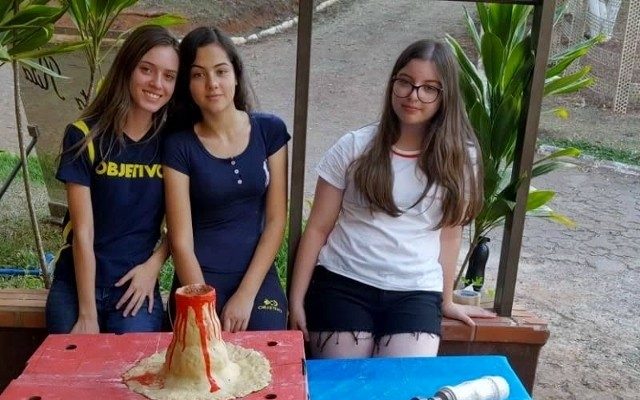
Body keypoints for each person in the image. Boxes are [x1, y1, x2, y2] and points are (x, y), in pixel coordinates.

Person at [289, 39, 494, 359]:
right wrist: (296, 299)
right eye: (405, 82)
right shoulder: (353, 146)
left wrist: (446, 300)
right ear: (392, 84)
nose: (414, 95)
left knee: (403, 385)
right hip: (343, 283)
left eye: (429, 88)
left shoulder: (461, 158)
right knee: (347, 383)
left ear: (446, 96)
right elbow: (317, 228)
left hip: (416, 291)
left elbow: (450, 234)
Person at [45, 25, 179, 334]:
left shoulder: (173, 141)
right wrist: (87, 314)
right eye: (146, 70)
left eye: (169, 76)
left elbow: (183, 223)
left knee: (133, 362)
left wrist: (153, 267)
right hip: (77, 284)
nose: (157, 83)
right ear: (127, 68)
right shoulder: (84, 135)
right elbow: (83, 231)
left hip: (134, 286)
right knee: (71, 360)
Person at [163, 26, 289, 333]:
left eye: (221, 71)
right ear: (187, 84)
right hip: (198, 279)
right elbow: (180, 241)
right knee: (204, 353)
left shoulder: (269, 131)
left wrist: (246, 295)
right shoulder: (179, 145)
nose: (212, 84)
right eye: (198, 75)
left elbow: (276, 220)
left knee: (268, 344)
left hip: (256, 277)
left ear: (235, 74)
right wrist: (203, 306)